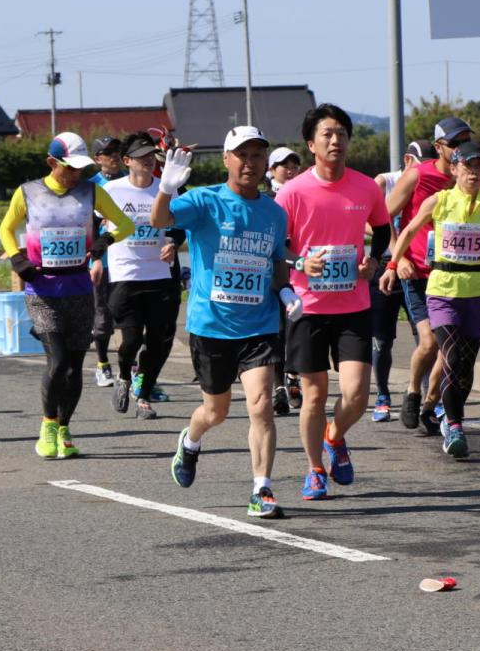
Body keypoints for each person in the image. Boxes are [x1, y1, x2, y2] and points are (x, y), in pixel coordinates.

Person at [151, 125, 298, 519]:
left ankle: (261, 489)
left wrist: (285, 291)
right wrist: (166, 185)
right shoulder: (204, 202)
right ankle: (192, 438)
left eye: (257, 156)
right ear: (227, 159)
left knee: (262, 406)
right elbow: (159, 219)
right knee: (216, 411)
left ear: (265, 162)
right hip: (212, 324)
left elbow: (276, 262)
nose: (250, 163)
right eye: (242, 155)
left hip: (260, 324)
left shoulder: (274, 211)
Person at [384, 140, 480, 456]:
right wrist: (394, 264)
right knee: (451, 356)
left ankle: (451, 418)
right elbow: (406, 232)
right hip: (442, 290)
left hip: (476, 291)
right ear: (454, 169)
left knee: (466, 364)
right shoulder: (439, 201)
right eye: (468, 166)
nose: (474, 172)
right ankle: (455, 424)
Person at [277, 105, 391, 499]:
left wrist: (375, 260)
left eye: (341, 133)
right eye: (326, 134)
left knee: (358, 392)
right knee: (314, 395)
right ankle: (313, 470)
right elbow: (277, 248)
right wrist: (299, 261)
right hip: (307, 307)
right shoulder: (292, 192)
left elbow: (382, 229)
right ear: (311, 144)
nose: (335, 140)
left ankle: (335, 434)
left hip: (353, 305)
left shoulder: (366, 187)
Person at [0, 132, 134, 459]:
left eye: (81, 169)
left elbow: (126, 225)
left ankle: (64, 426)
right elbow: (6, 228)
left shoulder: (91, 192)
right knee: (57, 361)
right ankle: (47, 424)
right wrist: (17, 258)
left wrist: (104, 242)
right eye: (70, 168)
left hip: (78, 288)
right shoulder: (28, 192)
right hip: (42, 288)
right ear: (52, 163)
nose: (76, 174)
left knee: (74, 367)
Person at [382, 117, 468, 433]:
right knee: (429, 342)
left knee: (450, 348)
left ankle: (430, 405)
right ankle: (412, 392)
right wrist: (397, 257)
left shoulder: (469, 178)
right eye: (454, 143)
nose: (460, 149)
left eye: (465, 142)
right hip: (417, 270)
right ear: (439, 147)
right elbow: (379, 220)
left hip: (453, 273)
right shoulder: (417, 175)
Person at [101, 132, 184, 420]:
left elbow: (181, 224)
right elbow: (95, 226)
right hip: (125, 274)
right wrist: (95, 261)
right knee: (132, 338)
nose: (149, 160)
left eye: (151, 155)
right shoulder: (111, 190)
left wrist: (173, 242)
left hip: (160, 275)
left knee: (161, 340)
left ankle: (144, 394)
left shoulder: (166, 189)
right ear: (127, 161)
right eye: (141, 156)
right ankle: (124, 375)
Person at [369, 140, 434, 422]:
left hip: (417, 268)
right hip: (388, 264)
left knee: (426, 337)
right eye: (423, 164)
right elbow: (373, 222)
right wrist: (399, 256)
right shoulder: (385, 181)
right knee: (383, 340)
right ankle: (383, 396)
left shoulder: (434, 182)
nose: (428, 169)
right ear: (408, 161)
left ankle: (425, 394)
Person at [267, 146, 302, 414]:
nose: (289, 171)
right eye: (284, 166)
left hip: (301, 271)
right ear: (271, 170)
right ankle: (279, 385)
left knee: (296, 328)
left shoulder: (304, 194)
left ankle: (292, 376)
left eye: (294, 166)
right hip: (273, 272)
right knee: (277, 330)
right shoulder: (265, 198)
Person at [90, 135, 125, 388]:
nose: (114, 155)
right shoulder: (89, 187)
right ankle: (102, 364)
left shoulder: (133, 180)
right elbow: (86, 227)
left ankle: (132, 369)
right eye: (107, 152)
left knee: (131, 318)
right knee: (102, 320)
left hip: (130, 260)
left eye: (117, 150)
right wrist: (95, 259)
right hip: (103, 260)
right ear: (97, 158)